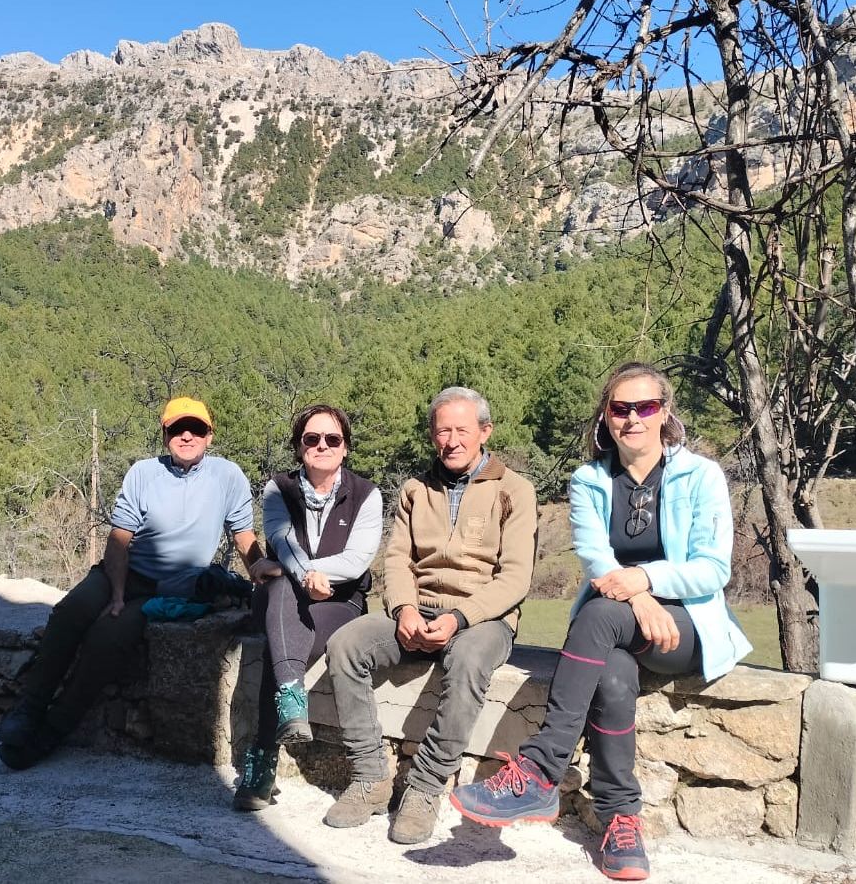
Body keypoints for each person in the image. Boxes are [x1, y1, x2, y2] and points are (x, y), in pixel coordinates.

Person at [448, 362, 751, 882]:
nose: (633, 418)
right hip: (621, 622)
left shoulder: (701, 476)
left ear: (665, 414)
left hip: (684, 627)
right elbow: (596, 561)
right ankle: (621, 822)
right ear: (606, 417)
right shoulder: (589, 479)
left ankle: (541, 769)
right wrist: (636, 596)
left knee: (599, 611)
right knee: (611, 676)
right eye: (620, 408)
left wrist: (644, 582)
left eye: (645, 407)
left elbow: (711, 569)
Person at [321, 386, 539, 844]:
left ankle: (425, 786)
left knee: (467, 662)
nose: (452, 440)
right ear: (431, 436)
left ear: (485, 431)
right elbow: (397, 560)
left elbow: (515, 578)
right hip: (416, 611)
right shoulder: (415, 489)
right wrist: (401, 609)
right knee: (345, 645)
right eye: (442, 431)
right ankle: (369, 778)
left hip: (484, 618)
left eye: (462, 430)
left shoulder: (514, 490)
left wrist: (460, 618)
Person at [0, 396, 262, 770]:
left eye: (196, 429)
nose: (187, 436)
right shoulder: (143, 473)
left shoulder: (228, 476)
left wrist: (261, 571)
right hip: (122, 573)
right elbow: (120, 537)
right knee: (72, 612)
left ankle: (51, 732)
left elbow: (243, 535)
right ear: (165, 433)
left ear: (210, 436)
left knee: (107, 639)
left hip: (169, 589)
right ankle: (28, 709)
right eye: (177, 429)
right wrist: (117, 593)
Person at [233, 404, 383, 811]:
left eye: (332, 439)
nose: (322, 446)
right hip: (284, 593)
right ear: (299, 447)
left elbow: (358, 559)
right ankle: (291, 696)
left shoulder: (367, 494)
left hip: (340, 599)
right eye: (311, 439)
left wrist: (309, 575)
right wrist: (299, 576)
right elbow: (282, 541)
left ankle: (260, 762)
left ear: (346, 447)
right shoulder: (277, 488)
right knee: (282, 591)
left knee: (282, 649)